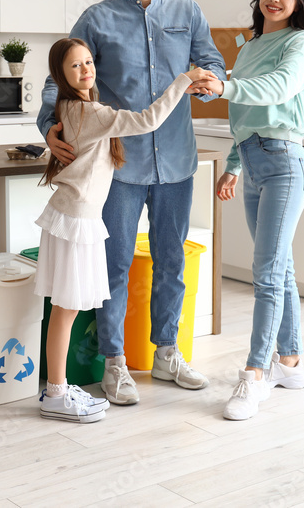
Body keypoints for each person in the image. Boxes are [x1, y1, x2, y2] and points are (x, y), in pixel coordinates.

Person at [37, 0, 226, 405]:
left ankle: (167, 354)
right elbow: (57, 78)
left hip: (178, 162)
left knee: (171, 262)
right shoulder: (97, 19)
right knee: (115, 265)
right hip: (119, 169)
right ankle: (115, 362)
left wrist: (211, 79)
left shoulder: (189, 12)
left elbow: (212, 61)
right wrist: (51, 128)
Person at [35, 37, 215, 423]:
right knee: (65, 310)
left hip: (71, 218)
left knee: (64, 310)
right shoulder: (92, 112)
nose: (85, 69)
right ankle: (56, 393)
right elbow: (148, 120)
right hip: (76, 222)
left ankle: (57, 389)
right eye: (75, 66)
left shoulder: (71, 108)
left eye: (88, 62)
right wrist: (182, 80)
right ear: (60, 75)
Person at [189, 0, 304, 420]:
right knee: (280, 270)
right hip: (252, 163)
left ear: (298, 2)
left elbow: (278, 89)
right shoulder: (251, 46)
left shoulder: (298, 42)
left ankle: (254, 376)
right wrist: (231, 165)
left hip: (286, 164)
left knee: (265, 274)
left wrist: (226, 84)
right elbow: (245, 117)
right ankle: (290, 362)